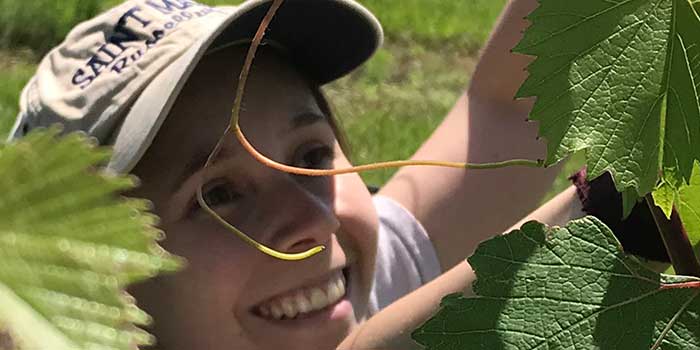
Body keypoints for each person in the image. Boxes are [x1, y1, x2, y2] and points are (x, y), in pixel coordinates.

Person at [9, 0, 586, 349]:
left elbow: (510, 108)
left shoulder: (365, 282)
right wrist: (596, 217)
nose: (313, 219)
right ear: (91, 293)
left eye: (310, 156)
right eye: (220, 194)